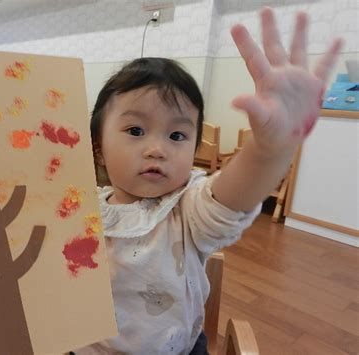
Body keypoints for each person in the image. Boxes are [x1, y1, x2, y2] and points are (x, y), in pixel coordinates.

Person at [76, 7, 342, 355]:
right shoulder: (81, 207)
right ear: (98, 149)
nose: (157, 149)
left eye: (177, 135)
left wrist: (268, 151)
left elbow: (231, 199)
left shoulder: (187, 207)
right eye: (136, 130)